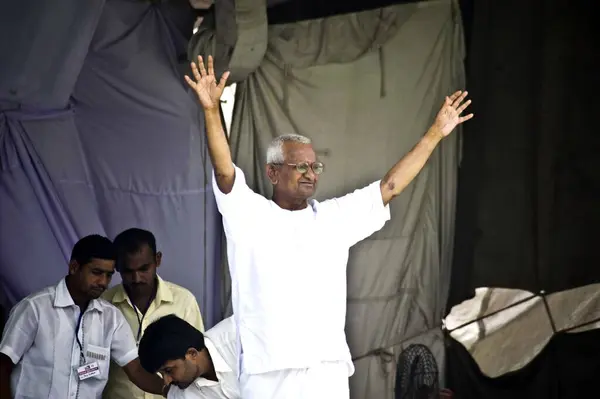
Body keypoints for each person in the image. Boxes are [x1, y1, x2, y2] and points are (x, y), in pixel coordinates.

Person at [184, 55, 474, 399]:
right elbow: (224, 171)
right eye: (299, 166)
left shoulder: (333, 218)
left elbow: (391, 186)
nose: (310, 174)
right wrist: (210, 110)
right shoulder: (249, 214)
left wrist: (435, 132)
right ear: (273, 172)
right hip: (269, 375)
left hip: (328, 373)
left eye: (315, 166)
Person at [0, 234, 167, 399]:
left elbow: (136, 370)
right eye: (96, 272)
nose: (103, 282)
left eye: (108, 275)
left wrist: (173, 391)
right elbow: (3, 365)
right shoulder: (35, 308)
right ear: (74, 267)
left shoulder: (111, 318)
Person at [102, 228, 205, 399]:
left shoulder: (184, 301)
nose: (136, 278)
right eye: (128, 271)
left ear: (157, 260)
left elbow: (198, 359)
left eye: (144, 268)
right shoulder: (104, 304)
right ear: (117, 267)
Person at [138, 315, 239, 399]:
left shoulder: (240, 337)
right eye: (161, 373)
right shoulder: (182, 394)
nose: (166, 381)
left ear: (192, 353)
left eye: (168, 370)